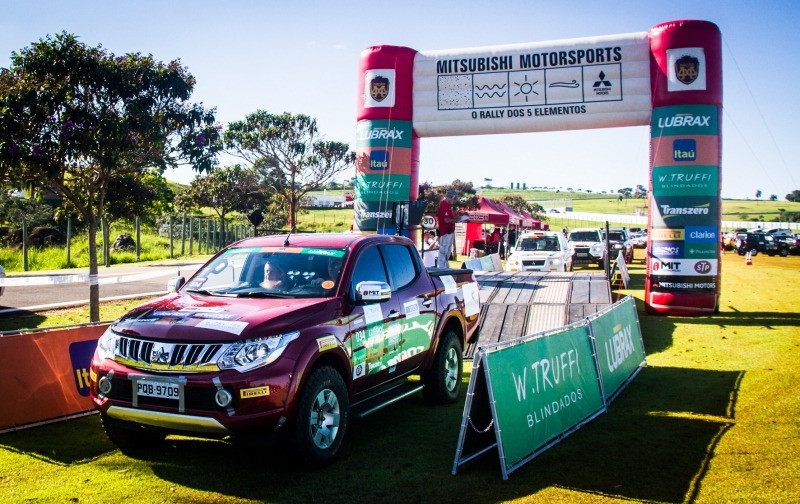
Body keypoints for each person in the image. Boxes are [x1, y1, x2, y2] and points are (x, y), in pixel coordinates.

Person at [437, 189, 457, 268]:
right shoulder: (444, 205)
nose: (454, 201)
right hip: (446, 232)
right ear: (452, 197)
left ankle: (445, 267)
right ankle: (442, 267)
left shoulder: (447, 206)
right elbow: (446, 220)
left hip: (449, 232)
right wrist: (456, 220)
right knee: (444, 251)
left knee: (447, 251)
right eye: (454, 199)